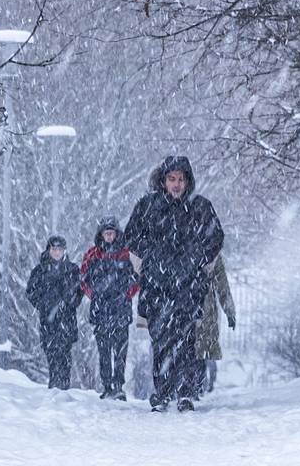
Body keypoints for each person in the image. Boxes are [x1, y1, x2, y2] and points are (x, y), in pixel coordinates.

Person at [124, 155, 224, 412]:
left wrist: (195, 258)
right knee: (161, 341)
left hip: (189, 288)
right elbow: (132, 236)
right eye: (171, 179)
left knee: (189, 342)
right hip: (158, 288)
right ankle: (163, 392)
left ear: (188, 181)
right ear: (163, 181)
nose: (176, 184)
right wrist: (154, 256)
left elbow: (215, 239)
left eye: (181, 179)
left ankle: (187, 393)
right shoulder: (148, 206)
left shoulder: (200, 207)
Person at [80, 216, 138, 401]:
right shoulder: (92, 254)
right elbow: (84, 279)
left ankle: (119, 386)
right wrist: (95, 295)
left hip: (120, 309)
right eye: (106, 233)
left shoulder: (126, 254)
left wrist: (126, 295)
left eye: (112, 233)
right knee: (104, 350)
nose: (109, 236)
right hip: (101, 309)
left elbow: (136, 279)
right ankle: (107, 386)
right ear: (101, 234)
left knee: (120, 351)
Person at [25, 235, 83, 390]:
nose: (57, 252)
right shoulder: (40, 270)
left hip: (67, 319)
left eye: (59, 249)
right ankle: (54, 384)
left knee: (65, 354)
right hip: (48, 320)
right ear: (49, 250)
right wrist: (44, 304)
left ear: (64, 251)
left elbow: (79, 293)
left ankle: (64, 386)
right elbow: (31, 292)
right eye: (54, 249)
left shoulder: (72, 270)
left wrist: (69, 302)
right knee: (51, 354)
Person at [195, 253, 236, 395]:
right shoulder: (212, 253)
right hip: (205, 308)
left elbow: (222, 285)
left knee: (196, 349)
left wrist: (230, 311)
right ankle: (198, 386)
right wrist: (230, 311)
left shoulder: (179, 243)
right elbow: (222, 285)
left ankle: (195, 386)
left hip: (194, 308)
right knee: (203, 349)